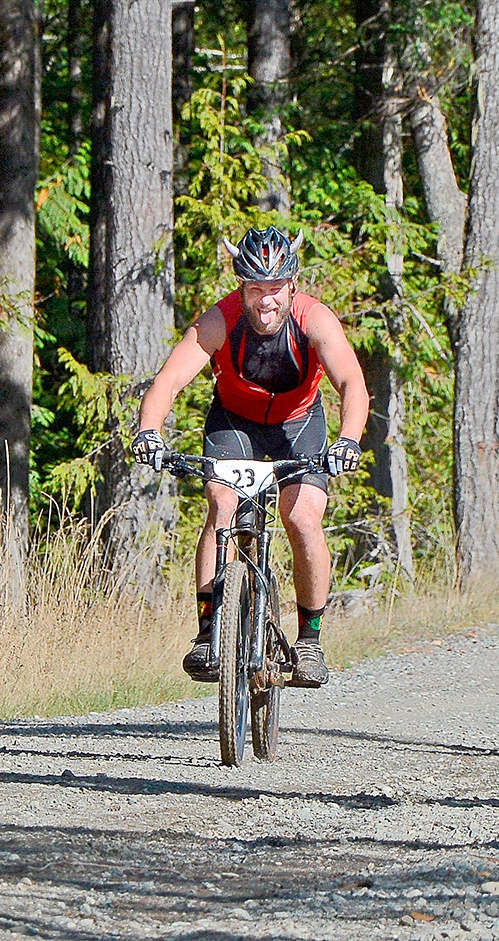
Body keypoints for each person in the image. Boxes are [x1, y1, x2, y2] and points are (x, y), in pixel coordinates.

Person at [131, 226, 370, 688]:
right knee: (221, 507)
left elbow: (352, 383)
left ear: (292, 284)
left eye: (275, 289)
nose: (266, 301)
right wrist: (149, 433)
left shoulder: (314, 319)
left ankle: (310, 640)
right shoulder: (219, 320)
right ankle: (208, 634)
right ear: (242, 286)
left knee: (302, 518)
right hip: (234, 422)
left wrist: (349, 439)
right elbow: (168, 382)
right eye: (256, 289)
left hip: (298, 422)